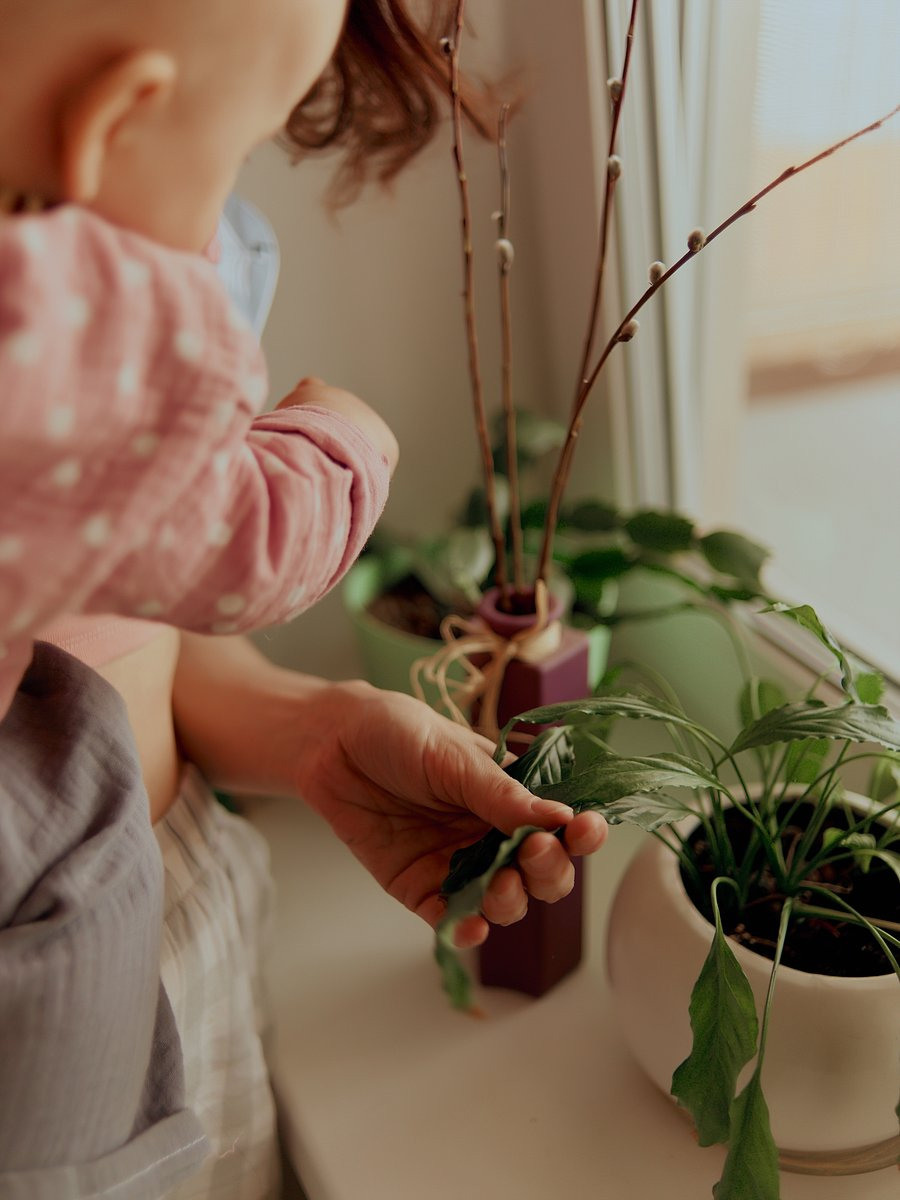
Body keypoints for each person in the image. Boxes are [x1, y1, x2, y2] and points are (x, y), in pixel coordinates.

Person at [0, 2, 609, 1197]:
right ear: (110, 118)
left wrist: (309, 728)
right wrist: (343, 439)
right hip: (65, 969)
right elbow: (249, 545)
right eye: (235, 149)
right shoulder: (62, 325)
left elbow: (127, 622)